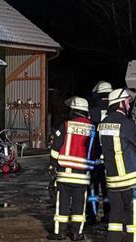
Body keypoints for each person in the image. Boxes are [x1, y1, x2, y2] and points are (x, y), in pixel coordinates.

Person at [99, 88, 136, 242]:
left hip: (113, 181)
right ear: (120, 103)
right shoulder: (127, 123)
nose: (129, 105)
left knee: (115, 218)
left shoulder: (102, 125)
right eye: (127, 101)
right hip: (131, 179)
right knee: (135, 219)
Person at [49, 97, 97, 240]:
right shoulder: (93, 127)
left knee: (62, 205)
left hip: (65, 173)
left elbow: (55, 148)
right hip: (83, 174)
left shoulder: (66, 125)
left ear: (74, 111)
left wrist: (52, 165)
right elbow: (95, 150)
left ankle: (60, 232)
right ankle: (77, 233)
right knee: (79, 206)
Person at [88, 80, 113, 224]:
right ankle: (108, 215)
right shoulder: (114, 112)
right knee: (108, 190)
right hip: (110, 159)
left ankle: (92, 215)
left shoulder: (92, 112)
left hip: (94, 157)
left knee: (93, 189)